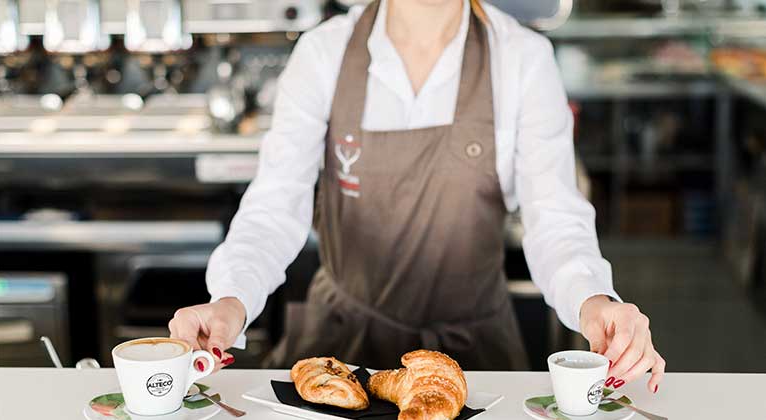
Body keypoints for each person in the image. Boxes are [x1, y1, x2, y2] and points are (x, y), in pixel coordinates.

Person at [169, 0, 665, 393]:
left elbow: (555, 219)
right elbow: (274, 209)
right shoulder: (325, 53)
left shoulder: (522, 60)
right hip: (338, 355)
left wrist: (595, 302)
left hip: (475, 366)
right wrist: (232, 301)